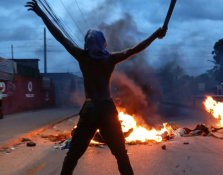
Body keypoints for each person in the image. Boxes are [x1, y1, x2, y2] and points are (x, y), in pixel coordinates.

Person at [25, 1, 167, 174]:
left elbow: (60, 36)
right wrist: (155, 34)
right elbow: (134, 49)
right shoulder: (110, 59)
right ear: (104, 44)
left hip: (90, 109)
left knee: (73, 155)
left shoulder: (82, 57)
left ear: (87, 43)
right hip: (107, 109)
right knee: (121, 155)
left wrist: (41, 14)